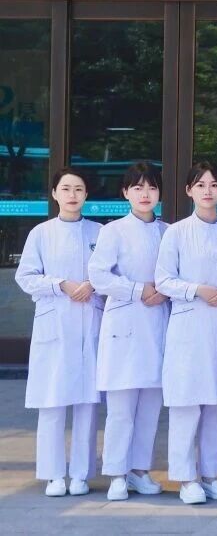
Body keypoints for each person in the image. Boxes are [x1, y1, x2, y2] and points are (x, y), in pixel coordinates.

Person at [16, 168, 103, 498]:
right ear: (54, 194)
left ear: (86, 194)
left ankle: (80, 473)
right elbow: (25, 276)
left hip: (90, 320)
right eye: (65, 189)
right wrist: (60, 284)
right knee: (52, 402)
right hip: (54, 322)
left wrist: (93, 284)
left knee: (87, 403)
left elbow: (111, 272)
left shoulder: (99, 232)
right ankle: (54, 474)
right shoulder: (41, 233)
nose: (72, 195)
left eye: (78, 189)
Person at [156, 162, 217, 505]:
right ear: (189, 190)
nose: (208, 191)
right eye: (200, 185)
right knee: (186, 404)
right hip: (189, 324)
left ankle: (211, 475)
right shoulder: (176, 232)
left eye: (214, 184)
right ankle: (186, 478)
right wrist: (196, 290)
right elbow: (163, 280)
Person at [87, 161, 169, 501]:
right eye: (137, 187)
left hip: (158, 322)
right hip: (125, 323)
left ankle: (139, 470)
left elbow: (177, 273)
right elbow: (98, 276)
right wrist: (138, 290)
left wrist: (164, 291)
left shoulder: (168, 231)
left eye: (151, 187)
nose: (145, 194)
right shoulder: (114, 231)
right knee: (121, 408)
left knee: (150, 406)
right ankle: (117, 473)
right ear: (125, 193)